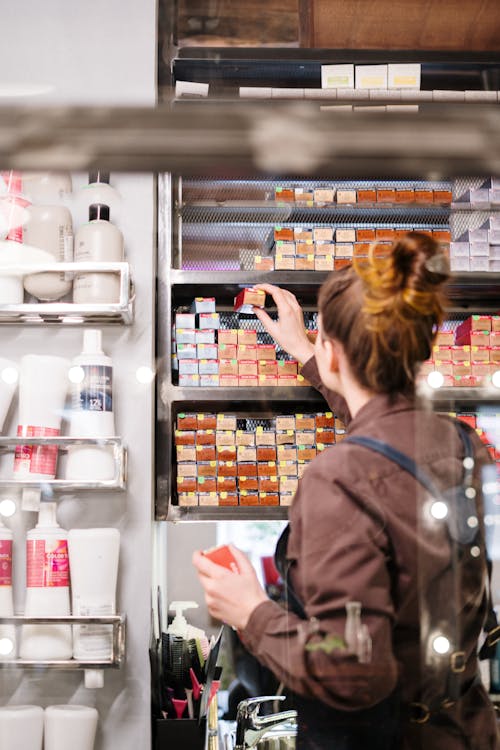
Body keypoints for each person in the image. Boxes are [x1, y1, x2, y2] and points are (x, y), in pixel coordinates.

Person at [193, 232, 499, 749]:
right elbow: (389, 437)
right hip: (463, 730)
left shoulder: (335, 479)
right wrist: (311, 357)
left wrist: (251, 612)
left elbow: (354, 670)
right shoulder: (464, 445)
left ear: (333, 351)